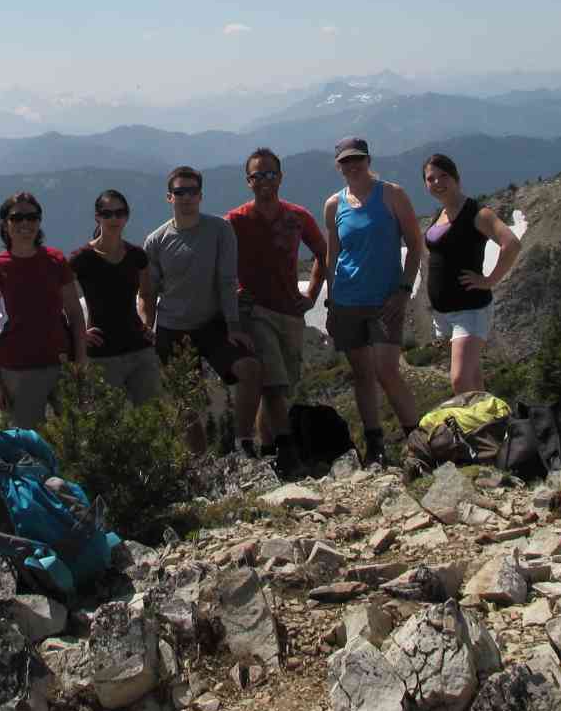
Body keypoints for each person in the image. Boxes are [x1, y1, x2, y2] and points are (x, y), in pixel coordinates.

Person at [313, 136, 424, 467]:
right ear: (338, 166)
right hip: (347, 300)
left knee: (387, 370)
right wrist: (331, 301)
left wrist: (404, 290)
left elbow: (415, 244)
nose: (353, 165)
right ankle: (375, 446)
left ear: (368, 160)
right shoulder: (333, 205)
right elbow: (333, 254)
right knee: (362, 373)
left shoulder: (392, 194)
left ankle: (419, 442)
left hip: (385, 300)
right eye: (346, 161)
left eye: (357, 159)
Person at [140, 165, 263, 454]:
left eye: (192, 191)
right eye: (180, 192)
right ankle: (199, 463)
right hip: (172, 329)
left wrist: (233, 326)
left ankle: (244, 443)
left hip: (212, 324)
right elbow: (148, 293)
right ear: (169, 197)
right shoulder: (156, 241)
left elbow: (227, 280)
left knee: (250, 369)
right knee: (187, 401)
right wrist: (147, 328)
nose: (186, 197)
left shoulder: (220, 229)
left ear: (201, 195)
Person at [225, 147, 327, 477]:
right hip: (254, 311)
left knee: (282, 385)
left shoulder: (297, 217)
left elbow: (324, 254)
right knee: (272, 382)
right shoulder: (235, 221)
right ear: (248, 181)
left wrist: (311, 294)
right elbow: (217, 264)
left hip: (290, 312)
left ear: (280, 177)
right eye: (257, 175)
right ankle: (287, 451)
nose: (264, 180)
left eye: (270, 174)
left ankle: (268, 448)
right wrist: (233, 296)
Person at [0, 190, 87, 429]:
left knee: (78, 435)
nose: (25, 223)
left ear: (39, 221)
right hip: (18, 370)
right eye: (17, 217)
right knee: (27, 440)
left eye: (32, 217)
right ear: (5, 224)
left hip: (62, 364)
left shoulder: (56, 261)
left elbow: (75, 315)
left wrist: (81, 360)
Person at [420, 152, 521, 396]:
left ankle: (474, 420)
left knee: (460, 380)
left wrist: (489, 281)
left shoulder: (476, 212)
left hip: (470, 309)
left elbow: (511, 243)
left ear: (456, 178)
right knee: (473, 378)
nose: (437, 182)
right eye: (430, 178)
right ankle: (490, 419)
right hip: (443, 313)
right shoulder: (441, 213)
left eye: (443, 176)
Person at [69, 188, 164, 404]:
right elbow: (60, 299)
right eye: (107, 214)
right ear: (97, 217)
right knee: (109, 419)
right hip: (101, 353)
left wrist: (147, 323)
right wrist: (78, 332)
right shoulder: (81, 259)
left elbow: (146, 293)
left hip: (139, 349)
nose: (114, 219)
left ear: (127, 216)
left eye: (119, 213)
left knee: (152, 415)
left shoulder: (136, 255)